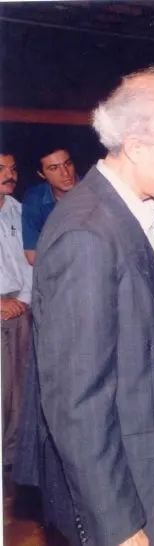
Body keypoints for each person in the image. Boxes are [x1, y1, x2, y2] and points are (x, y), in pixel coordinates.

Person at [14, 66, 154, 546]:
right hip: (129, 490)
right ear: (136, 146)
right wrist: (119, 526)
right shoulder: (87, 233)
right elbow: (76, 403)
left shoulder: (127, 212)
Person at [0, 150, 32, 473]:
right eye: (1, 169)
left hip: (20, 307)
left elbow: (28, 262)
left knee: (19, 385)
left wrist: (22, 300)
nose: (9, 175)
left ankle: (10, 453)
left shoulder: (18, 210)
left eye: (12, 168)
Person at [21, 144, 77, 264]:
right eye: (54, 168)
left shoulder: (94, 190)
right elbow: (32, 256)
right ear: (42, 174)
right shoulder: (35, 199)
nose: (65, 173)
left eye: (67, 164)